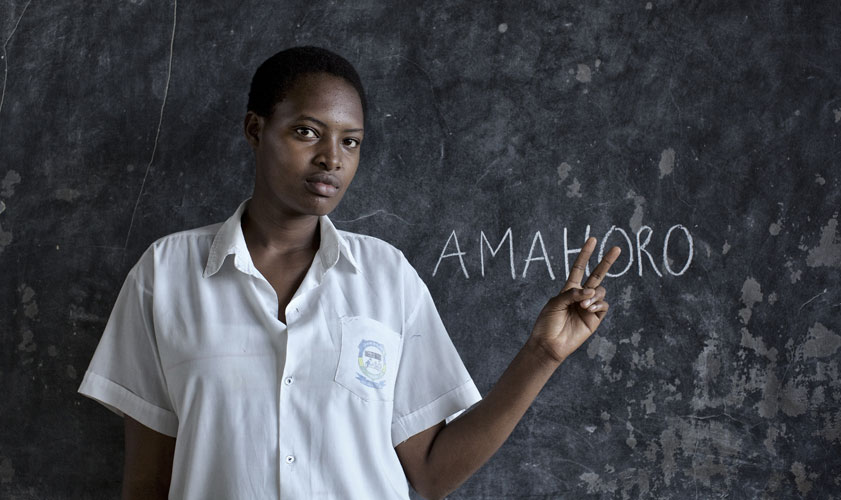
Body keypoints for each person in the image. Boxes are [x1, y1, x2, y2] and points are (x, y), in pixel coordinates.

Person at [79, 46, 621, 500]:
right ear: (255, 129)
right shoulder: (168, 273)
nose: (331, 159)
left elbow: (430, 474)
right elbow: (148, 481)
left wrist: (541, 356)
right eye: (308, 132)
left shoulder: (387, 279)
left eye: (350, 141)